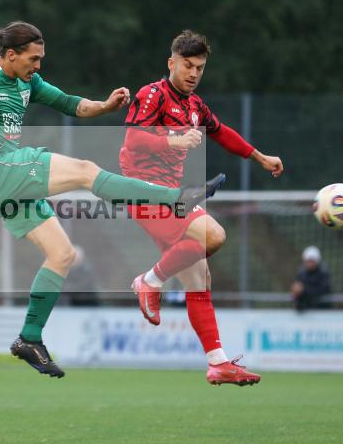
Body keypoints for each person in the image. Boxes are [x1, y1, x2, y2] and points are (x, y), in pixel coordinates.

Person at [0, 21, 222, 378]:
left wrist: (105, 105)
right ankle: (175, 197)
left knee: (62, 254)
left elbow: (70, 104)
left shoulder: (27, 81)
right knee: (85, 170)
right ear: (10, 55)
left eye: (41, 59)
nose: (38, 66)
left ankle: (29, 338)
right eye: (33, 59)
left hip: (7, 182)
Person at [122, 30, 284, 386]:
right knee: (213, 234)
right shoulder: (152, 94)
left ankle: (218, 362)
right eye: (187, 65)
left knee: (199, 277)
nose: (193, 73)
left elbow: (221, 131)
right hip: (143, 192)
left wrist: (259, 157)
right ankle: (148, 282)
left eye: (200, 67)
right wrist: (174, 139)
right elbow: (133, 137)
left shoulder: (194, 106)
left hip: (172, 196)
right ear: (171, 63)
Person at [291, 246, 332, 310]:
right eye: (308, 261)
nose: (309, 264)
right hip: (305, 311)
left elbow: (322, 290)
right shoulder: (301, 273)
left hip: (322, 310)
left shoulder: (323, 273)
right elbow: (296, 291)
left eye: (312, 261)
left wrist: (303, 290)